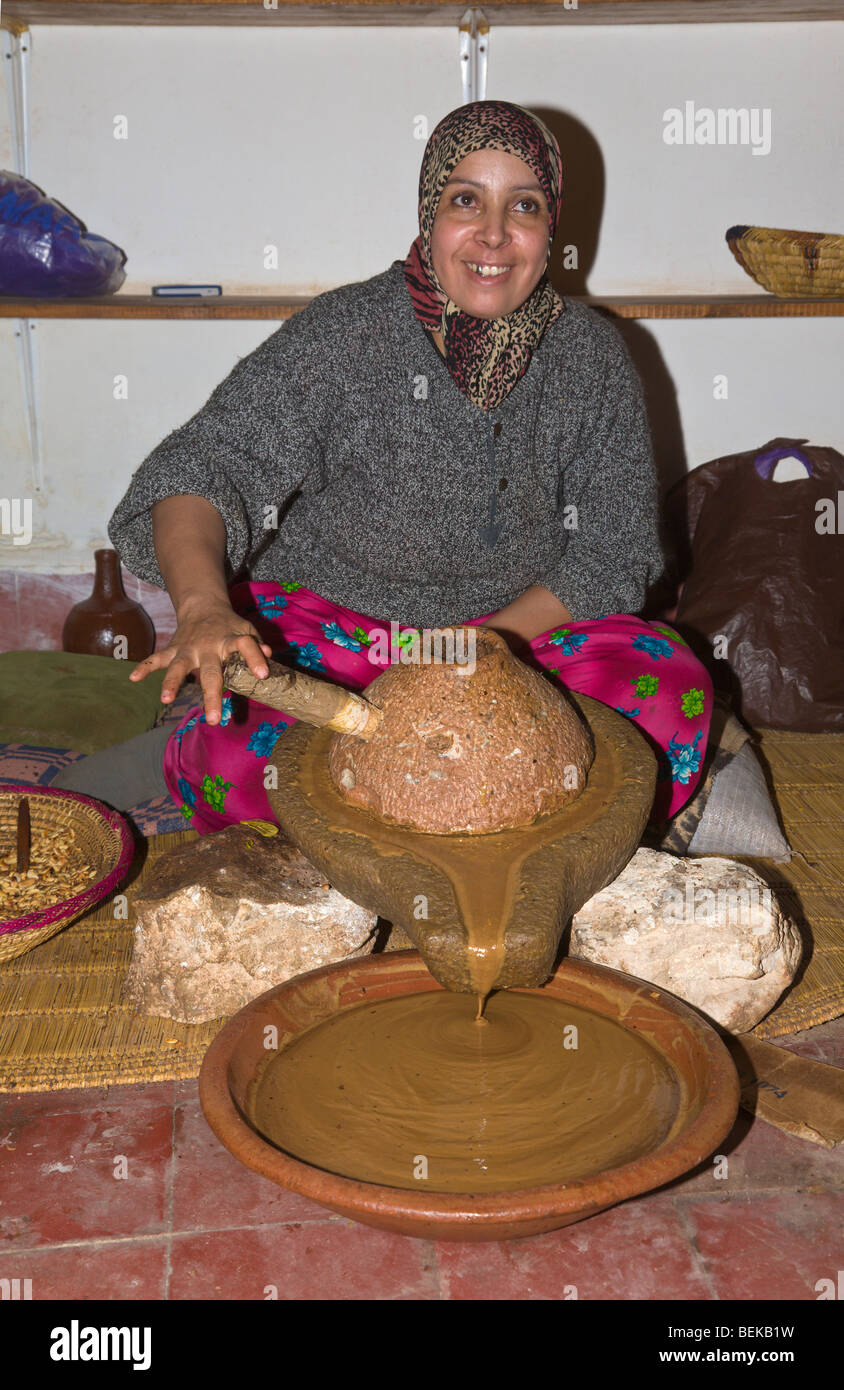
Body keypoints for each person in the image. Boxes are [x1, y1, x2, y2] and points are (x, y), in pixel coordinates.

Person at [58, 99, 712, 834]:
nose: (493, 234)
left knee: (667, 697)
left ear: (551, 227)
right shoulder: (345, 336)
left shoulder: (590, 357)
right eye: (466, 200)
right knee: (242, 763)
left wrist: (479, 652)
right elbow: (204, 468)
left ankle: (451, 807)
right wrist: (206, 608)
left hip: (518, 642)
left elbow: (614, 549)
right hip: (342, 643)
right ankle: (462, 810)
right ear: (430, 213)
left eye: (522, 206)